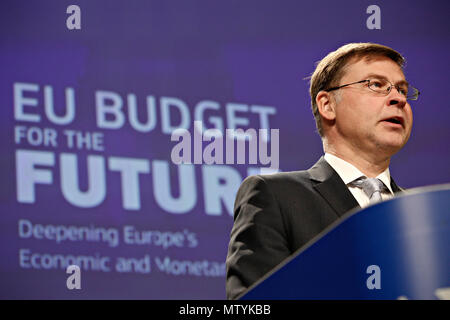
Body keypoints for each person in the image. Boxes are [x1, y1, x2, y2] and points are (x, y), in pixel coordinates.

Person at [225, 42, 419, 300]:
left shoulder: (422, 216)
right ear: (327, 105)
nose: (399, 98)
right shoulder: (276, 196)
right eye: (375, 85)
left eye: (402, 89)